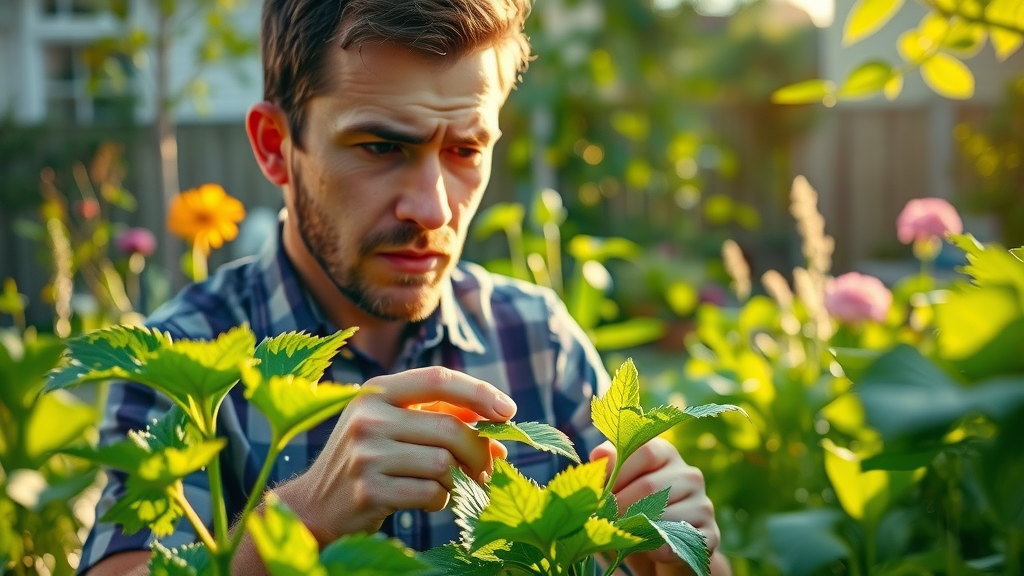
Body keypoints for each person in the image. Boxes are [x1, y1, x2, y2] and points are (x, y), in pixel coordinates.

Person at [78, 1, 730, 575]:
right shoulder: (178, 357)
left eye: (466, 151)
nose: (434, 209)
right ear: (276, 145)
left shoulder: (535, 337)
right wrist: (303, 518)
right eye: (382, 147)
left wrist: (671, 562)